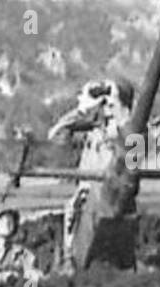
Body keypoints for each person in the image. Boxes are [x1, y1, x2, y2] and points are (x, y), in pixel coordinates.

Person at [48, 78, 135, 268]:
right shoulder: (93, 130)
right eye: (104, 104)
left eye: (111, 104)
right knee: (75, 260)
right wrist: (82, 109)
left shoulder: (131, 132)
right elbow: (56, 137)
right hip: (84, 202)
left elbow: (134, 150)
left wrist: (122, 118)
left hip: (113, 204)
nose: (107, 109)